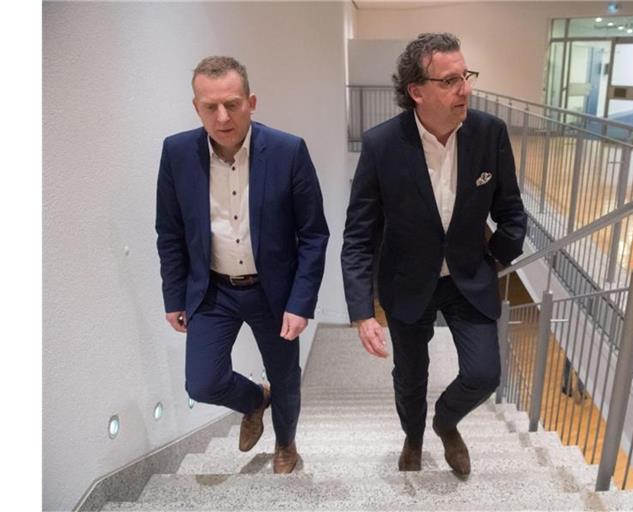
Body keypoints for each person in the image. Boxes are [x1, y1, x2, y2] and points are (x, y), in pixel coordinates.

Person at [341, 33, 527, 477]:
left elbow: (512, 212)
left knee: (484, 373)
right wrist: (362, 311)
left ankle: (445, 422)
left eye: (466, 76)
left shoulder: (489, 133)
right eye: (449, 80)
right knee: (410, 378)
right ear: (417, 92)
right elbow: (358, 235)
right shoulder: (382, 145)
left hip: (468, 277)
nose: (464, 88)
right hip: (407, 282)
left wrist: (494, 259)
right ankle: (413, 437)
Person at [155, 56, 329, 474]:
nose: (222, 116)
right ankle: (255, 401)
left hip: (275, 292)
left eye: (232, 104)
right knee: (203, 381)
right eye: (210, 106)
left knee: (286, 376)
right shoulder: (177, 153)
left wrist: (301, 302)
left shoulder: (288, 151)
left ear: (251, 102)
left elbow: (314, 234)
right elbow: (170, 233)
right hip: (213, 289)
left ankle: (286, 445)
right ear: (196, 107)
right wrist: (174, 296)